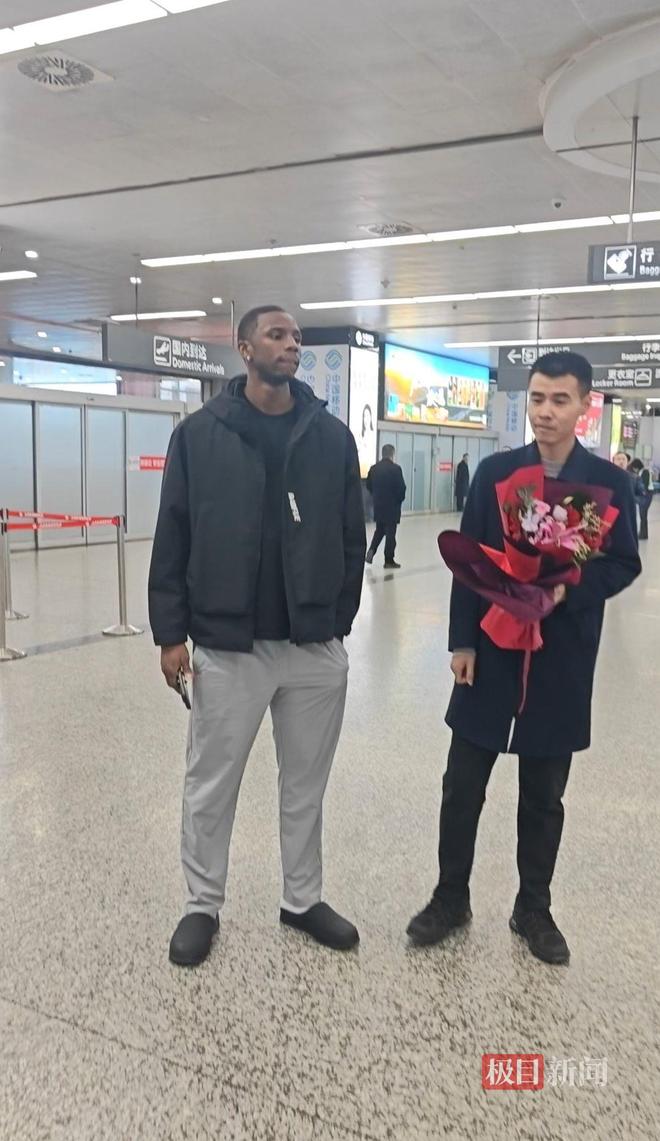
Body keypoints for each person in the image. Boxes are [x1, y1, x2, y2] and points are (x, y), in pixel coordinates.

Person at [149, 305, 366, 967]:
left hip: (312, 645)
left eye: (296, 337)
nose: (291, 344)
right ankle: (201, 904)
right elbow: (173, 533)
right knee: (211, 783)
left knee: (305, 785)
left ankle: (302, 899)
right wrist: (170, 633)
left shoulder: (330, 437)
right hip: (228, 642)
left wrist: (338, 618)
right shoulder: (199, 435)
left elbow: (351, 535)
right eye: (277, 335)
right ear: (244, 349)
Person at [407, 351, 641, 966]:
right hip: (491, 649)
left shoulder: (608, 484)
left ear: (584, 407)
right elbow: (469, 563)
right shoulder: (497, 473)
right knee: (462, 785)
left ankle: (533, 907)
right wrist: (462, 642)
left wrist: (564, 589)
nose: (545, 411)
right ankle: (450, 897)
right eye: (537, 398)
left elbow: (623, 563)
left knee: (544, 795)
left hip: (562, 656)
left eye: (560, 400)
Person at [365, 445, 406, 569]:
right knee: (390, 534)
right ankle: (389, 560)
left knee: (380, 530)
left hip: (378, 506)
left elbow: (368, 485)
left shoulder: (374, 469)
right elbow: (401, 488)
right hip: (392, 507)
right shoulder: (396, 469)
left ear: (382, 454)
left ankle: (371, 550)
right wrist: (399, 500)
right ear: (392, 454)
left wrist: (376, 496)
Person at [629, 458, 653, 540]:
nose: (634, 470)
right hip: (645, 494)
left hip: (647, 494)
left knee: (643, 515)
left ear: (637, 466)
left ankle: (643, 534)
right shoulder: (641, 472)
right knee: (643, 515)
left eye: (635, 468)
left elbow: (645, 485)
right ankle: (643, 533)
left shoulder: (645, 472)